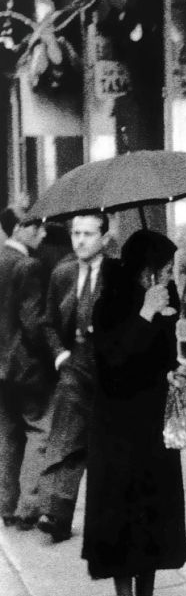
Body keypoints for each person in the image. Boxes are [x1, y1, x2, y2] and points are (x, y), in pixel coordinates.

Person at [82, 229, 186, 596]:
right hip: (119, 430)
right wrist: (144, 314)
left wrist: (165, 317)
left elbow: (163, 355)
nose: (169, 275)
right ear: (145, 270)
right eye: (164, 268)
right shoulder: (109, 305)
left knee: (155, 510)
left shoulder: (163, 296)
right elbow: (113, 366)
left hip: (153, 425)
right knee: (124, 514)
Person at [36, 213, 111, 542]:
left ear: (104, 238)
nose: (80, 240)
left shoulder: (118, 274)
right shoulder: (63, 273)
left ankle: (111, 518)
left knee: (109, 444)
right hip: (75, 365)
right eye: (76, 234)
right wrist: (60, 356)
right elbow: (48, 321)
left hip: (112, 368)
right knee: (65, 439)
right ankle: (56, 514)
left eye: (88, 234)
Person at [0, 214, 52, 529]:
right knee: (39, 429)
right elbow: (33, 324)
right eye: (38, 227)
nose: (43, 234)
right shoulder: (28, 266)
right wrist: (50, 358)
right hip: (25, 366)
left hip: (0, 368)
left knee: (7, 434)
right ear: (20, 229)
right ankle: (28, 507)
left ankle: (6, 505)